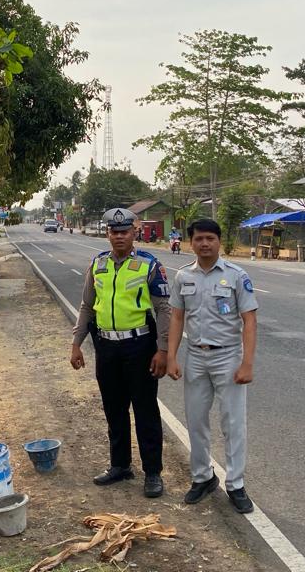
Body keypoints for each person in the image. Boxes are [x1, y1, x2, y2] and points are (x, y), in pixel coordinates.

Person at [70, 207, 172, 498]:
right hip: (106, 347)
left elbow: (164, 309)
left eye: (124, 231)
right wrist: (77, 343)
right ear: (108, 234)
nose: (119, 237)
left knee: (145, 411)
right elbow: (87, 306)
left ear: (134, 233)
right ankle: (120, 465)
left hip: (139, 347)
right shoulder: (97, 264)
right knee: (114, 409)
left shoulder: (149, 265)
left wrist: (162, 350)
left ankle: (152, 472)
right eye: (114, 232)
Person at [166, 218, 258, 514]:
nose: (204, 243)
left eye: (210, 238)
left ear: (219, 241)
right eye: (199, 239)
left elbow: (250, 320)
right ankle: (202, 477)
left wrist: (247, 363)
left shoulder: (236, 276)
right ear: (190, 242)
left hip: (228, 356)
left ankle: (236, 484)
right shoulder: (182, 277)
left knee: (233, 422)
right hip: (195, 356)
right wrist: (171, 356)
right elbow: (177, 318)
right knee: (196, 420)